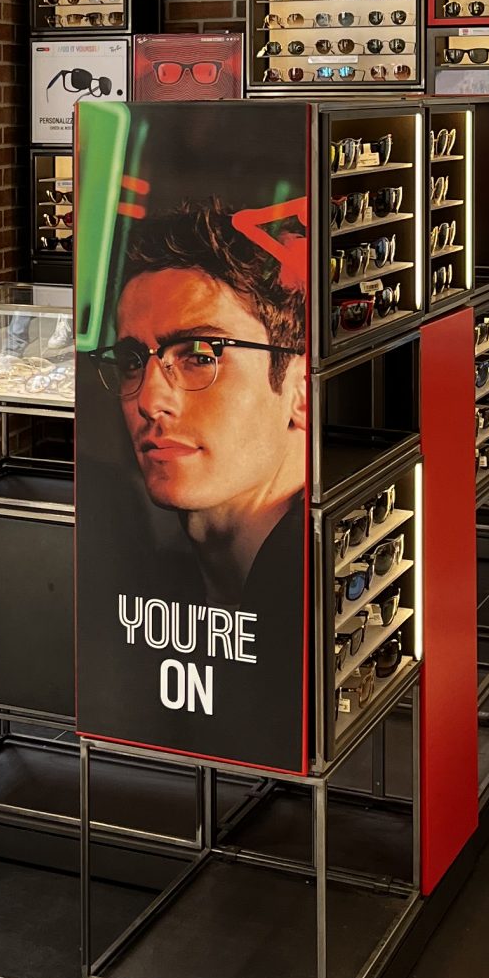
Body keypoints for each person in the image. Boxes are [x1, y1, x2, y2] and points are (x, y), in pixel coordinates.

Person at [101, 195, 309, 756]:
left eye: (199, 354)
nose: (150, 400)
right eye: (131, 361)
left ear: (301, 390)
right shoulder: (159, 580)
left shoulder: (308, 594)